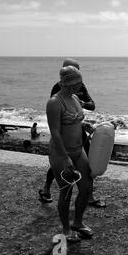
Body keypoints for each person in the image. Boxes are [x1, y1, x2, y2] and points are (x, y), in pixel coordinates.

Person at [39, 58, 106, 208]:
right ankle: (47, 188)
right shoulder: (57, 91)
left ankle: (89, 195)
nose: (79, 78)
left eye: (78, 70)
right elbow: (56, 123)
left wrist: (81, 110)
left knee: (86, 169)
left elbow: (92, 105)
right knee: (62, 170)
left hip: (79, 132)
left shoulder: (79, 88)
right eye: (74, 71)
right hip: (64, 136)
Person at [46, 65, 94, 242]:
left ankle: (78, 223)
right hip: (61, 154)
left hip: (79, 150)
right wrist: (65, 158)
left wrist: (85, 126)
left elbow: (75, 122)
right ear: (68, 83)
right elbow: (55, 132)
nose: (81, 86)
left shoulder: (74, 98)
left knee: (87, 187)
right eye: (78, 83)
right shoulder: (54, 103)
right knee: (66, 191)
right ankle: (66, 229)